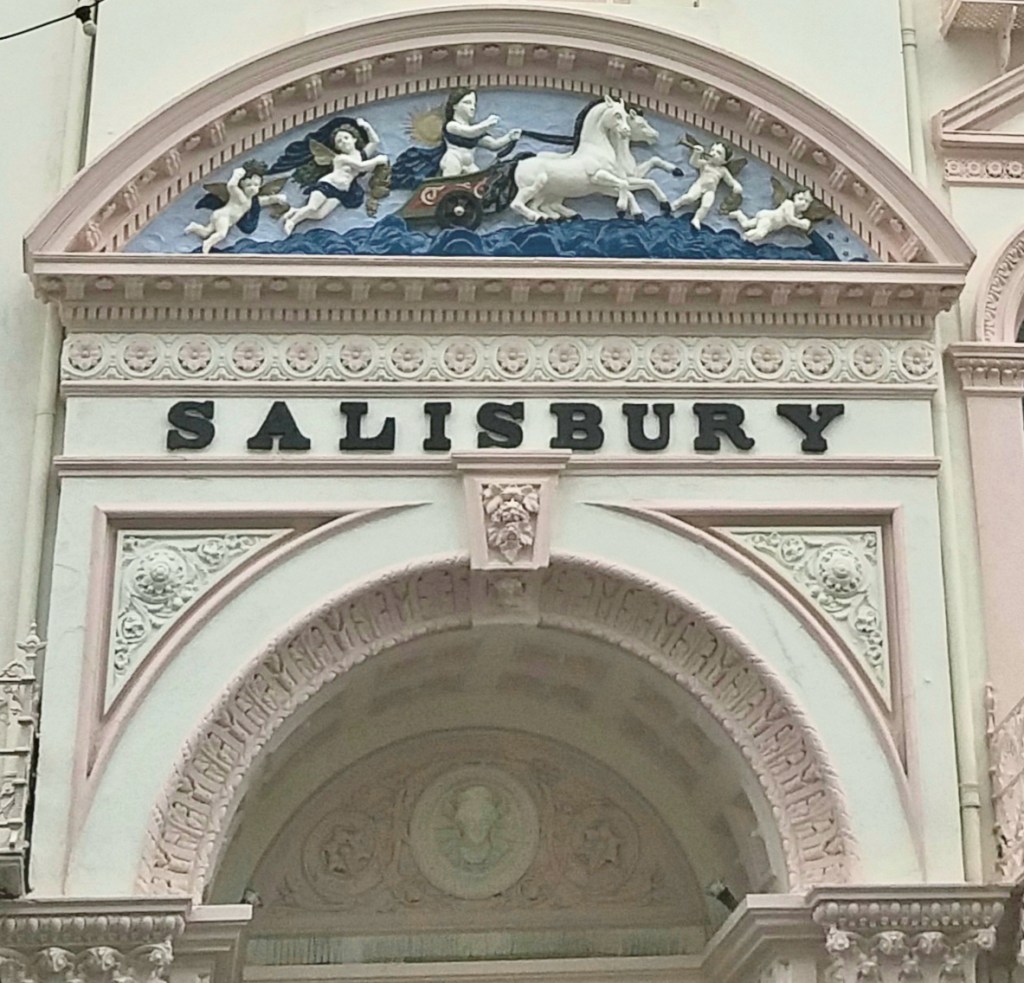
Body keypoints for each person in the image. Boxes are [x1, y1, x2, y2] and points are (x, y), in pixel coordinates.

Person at [281, 119, 388, 235]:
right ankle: (292, 221)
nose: (344, 142)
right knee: (312, 207)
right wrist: (378, 160)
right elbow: (361, 167)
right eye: (339, 142)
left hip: (341, 191)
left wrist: (366, 126)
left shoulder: (361, 155)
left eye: (346, 138)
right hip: (327, 185)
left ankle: (294, 211)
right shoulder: (341, 158)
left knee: (319, 215)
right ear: (337, 148)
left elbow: (374, 142)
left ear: (354, 139)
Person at [439, 89, 522, 177]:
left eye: (474, 104)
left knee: (480, 183)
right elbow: (470, 132)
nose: (472, 107)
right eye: (467, 103)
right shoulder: (452, 126)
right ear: (454, 106)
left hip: (469, 164)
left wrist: (509, 137)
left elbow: (493, 144)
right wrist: (486, 124)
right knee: (449, 184)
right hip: (453, 160)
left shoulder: (477, 131)